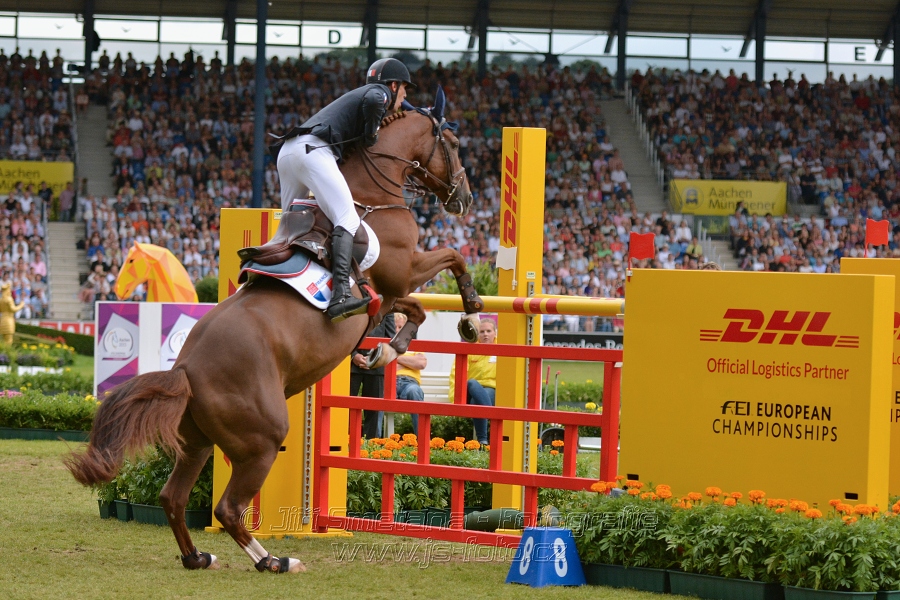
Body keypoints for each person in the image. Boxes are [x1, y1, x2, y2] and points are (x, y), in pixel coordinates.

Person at [274, 58, 414, 322]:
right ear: (393, 85)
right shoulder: (379, 92)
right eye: (404, 90)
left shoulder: (356, 97)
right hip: (314, 151)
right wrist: (372, 133)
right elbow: (375, 101)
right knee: (347, 219)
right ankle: (340, 295)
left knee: (287, 226)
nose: (404, 96)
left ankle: (273, 275)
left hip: (288, 152)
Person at [448, 319, 497, 445]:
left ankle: (482, 441)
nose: (485, 334)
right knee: (472, 383)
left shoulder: (501, 350)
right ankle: (493, 418)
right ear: (477, 334)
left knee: (477, 401)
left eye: (488, 331)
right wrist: (455, 399)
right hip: (469, 391)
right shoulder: (470, 349)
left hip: (491, 390)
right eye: (482, 331)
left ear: (495, 333)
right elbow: (457, 373)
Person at [350, 313, 396, 439]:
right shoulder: (354, 301)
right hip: (350, 367)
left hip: (377, 367)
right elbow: (345, 334)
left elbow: (391, 339)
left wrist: (374, 359)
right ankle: (345, 441)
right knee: (346, 407)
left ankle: (371, 446)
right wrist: (353, 355)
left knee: (374, 411)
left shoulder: (388, 310)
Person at [393, 313, 427, 436]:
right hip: (389, 382)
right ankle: (374, 441)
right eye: (394, 327)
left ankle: (422, 439)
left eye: (400, 327)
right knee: (376, 392)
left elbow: (421, 363)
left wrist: (394, 357)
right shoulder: (384, 344)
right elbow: (381, 367)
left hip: (409, 383)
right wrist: (410, 362)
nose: (397, 330)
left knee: (414, 391)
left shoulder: (414, 344)